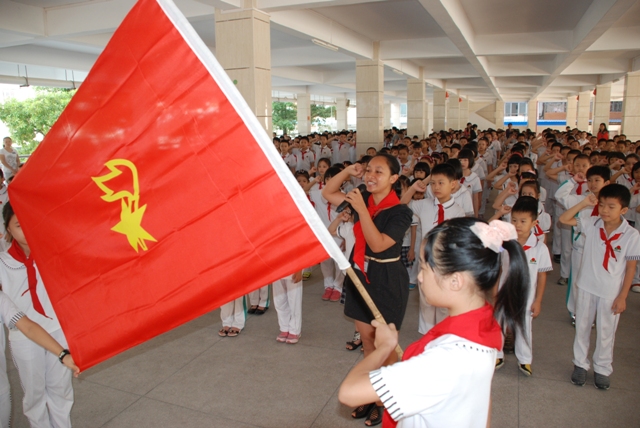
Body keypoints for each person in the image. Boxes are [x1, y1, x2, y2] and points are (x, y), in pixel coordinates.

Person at [338, 217, 529, 428]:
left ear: (455, 281)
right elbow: (483, 401)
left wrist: (383, 347)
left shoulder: (445, 361)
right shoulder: (486, 324)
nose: (419, 277)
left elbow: (349, 393)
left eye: (424, 267)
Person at [322, 153, 412, 426]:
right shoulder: (364, 199)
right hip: (360, 274)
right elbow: (328, 192)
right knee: (368, 341)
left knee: (386, 346)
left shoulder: (400, 212)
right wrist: (348, 171)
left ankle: (384, 401)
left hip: (387, 279)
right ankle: (372, 394)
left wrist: (361, 210)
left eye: (379, 172)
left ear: (394, 178)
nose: (371, 176)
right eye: (369, 170)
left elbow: (379, 244)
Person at [0, 202, 74, 427]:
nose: (26, 230)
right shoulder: (3, 263)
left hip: (57, 330)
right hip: (24, 338)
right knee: (35, 395)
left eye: (29, 223)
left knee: (61, 390)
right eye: (19, 226)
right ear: (8, 228)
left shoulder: (51, 252)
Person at [559, 184, 640, 390]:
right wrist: (584, 203)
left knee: (606, 332)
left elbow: (631, 267)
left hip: (610, 292)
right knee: (582, 327)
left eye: (611, 207)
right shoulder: (591, 223)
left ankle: (602, 368)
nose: (604, 210)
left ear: (624, 210)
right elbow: (564, 219)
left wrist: (622, 296)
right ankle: (580, 364)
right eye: (602, 205)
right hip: (586, 286)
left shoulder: (631, 235)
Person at [0, 290, 81, 428]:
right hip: (22, 333)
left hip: (54, 322)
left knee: (61, 390)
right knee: (34, 395)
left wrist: (63, 355)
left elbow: (28, 327)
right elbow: (27, 328)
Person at [401, 164, 465, 334]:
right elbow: (402, 204)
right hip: (426, 262)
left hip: (446, 263)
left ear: (453, 184)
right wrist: (413, 188)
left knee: (444, 303)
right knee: (426, 301)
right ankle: (426, 335)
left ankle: (442, 335)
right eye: (433, 183)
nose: (436, 187)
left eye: (441, 183)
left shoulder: (458, 212)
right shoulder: (423, 204)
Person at [495, 197, 551, 376]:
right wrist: (495, 292)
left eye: (523, 221)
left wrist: (538, 301)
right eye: (514, 220)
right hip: (505, 292)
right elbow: (499, 268)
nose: (517, 225)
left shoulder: (540, 248)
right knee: (499, 322)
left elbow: (541, 275)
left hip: (526, 296)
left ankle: (525, 359)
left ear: (534, 223)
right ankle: (497, 354)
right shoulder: (505, 243)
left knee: (524, 327)